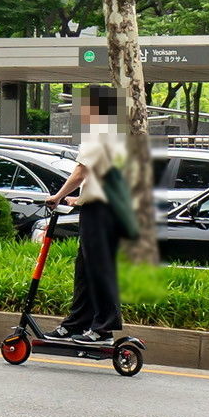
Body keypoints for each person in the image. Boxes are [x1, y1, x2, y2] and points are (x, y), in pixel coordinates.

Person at [43, 85, 126, 345]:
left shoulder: (99, 133)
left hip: (102, 212)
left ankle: (103, 329)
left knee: (98, 267)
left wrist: (56, 197)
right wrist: (79, 198)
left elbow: (81, 173)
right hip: (106, 207)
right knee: (86, 268)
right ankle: (78, 323)